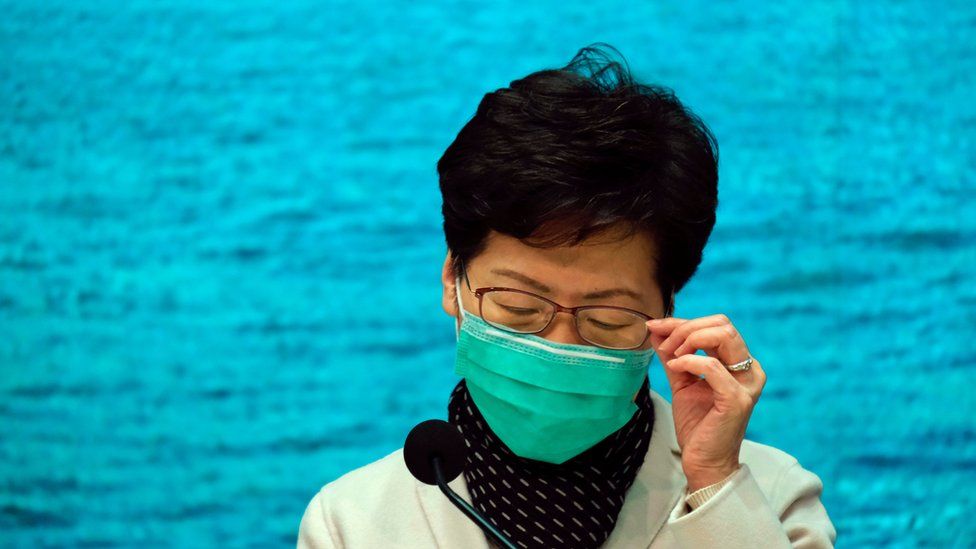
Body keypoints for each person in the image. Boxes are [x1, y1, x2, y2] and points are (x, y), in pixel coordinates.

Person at [297, 43, 836, 548]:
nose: (558, 343)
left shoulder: (771, 497)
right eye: (518, 308)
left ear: (667, 309)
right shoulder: (352, 521)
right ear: (451, 281)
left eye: (606, 318)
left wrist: (713, 484)